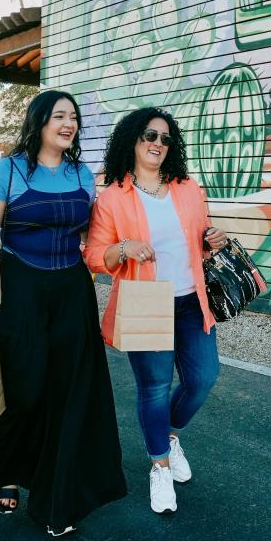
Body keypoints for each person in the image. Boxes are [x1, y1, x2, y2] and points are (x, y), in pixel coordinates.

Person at [0, 90, 126, 537]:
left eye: (73, 117)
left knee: (70, 390)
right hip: (20, 289)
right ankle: (7, 471)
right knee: (24, 388)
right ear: (39, 122)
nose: (68, 123)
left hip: (72, 292)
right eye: (59, 116)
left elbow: (94, 235)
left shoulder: (82, 174)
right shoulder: (7, 169)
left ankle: (59, 497)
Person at [85, 107, 229, 515]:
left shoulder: (187, 187)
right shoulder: (114, 196)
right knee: (154, 387)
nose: (157, 144)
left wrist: (211, 238)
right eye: (150, 135)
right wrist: (123, 249)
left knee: (203, 378)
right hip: (145, 299)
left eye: (165, 138)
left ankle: (169, 435)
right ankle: (159, 466)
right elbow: (95, 255)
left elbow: (196, 240)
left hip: (190, 299)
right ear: (132, 139)